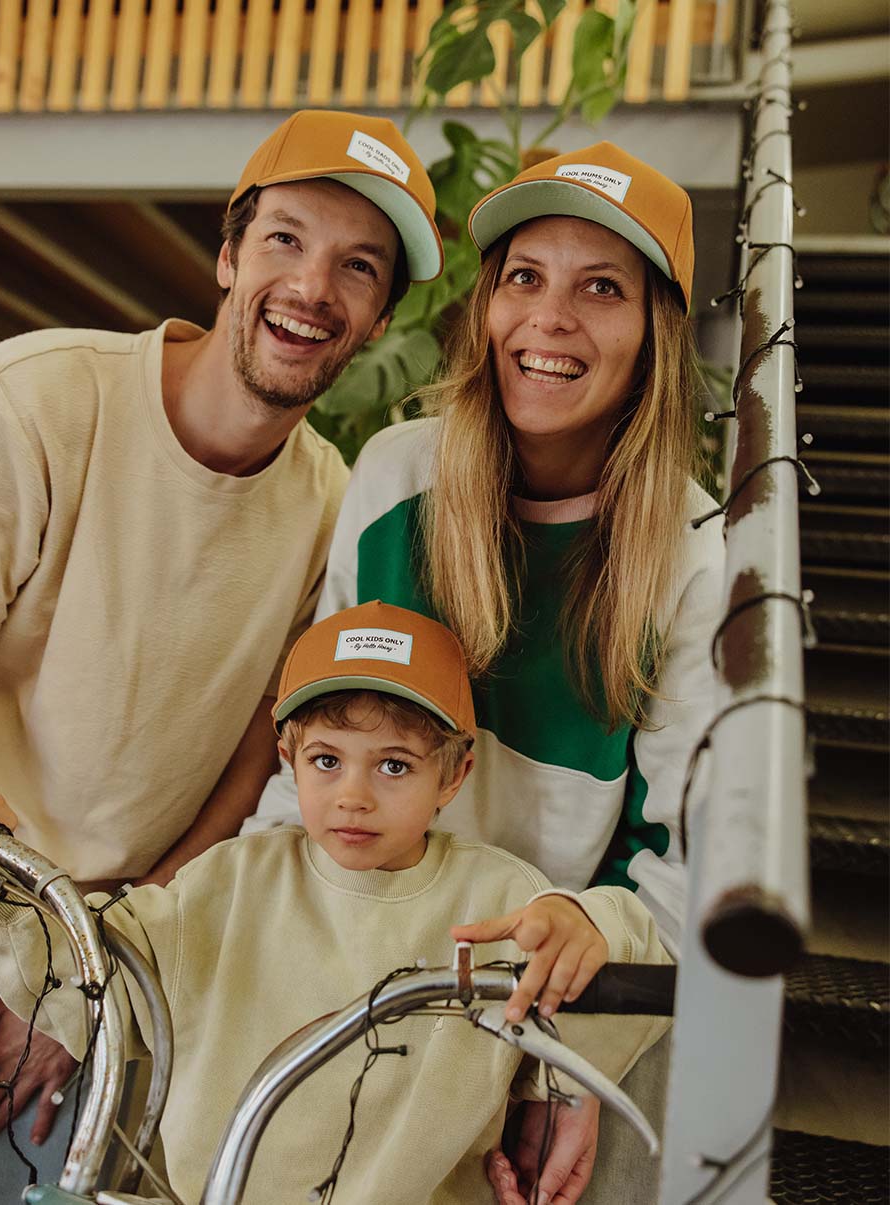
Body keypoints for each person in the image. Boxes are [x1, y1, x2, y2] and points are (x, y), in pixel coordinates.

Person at [0, 110, 444, 1201]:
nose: (312, 286)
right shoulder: (37, 395)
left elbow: (249, 760)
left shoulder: (333, 502)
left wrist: (91, 972)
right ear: (228, 257)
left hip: (89, 921)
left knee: (68, 1181)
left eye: (356, 267)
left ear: (374, 319)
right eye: (284, 240)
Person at [248, 142, 726, 1202]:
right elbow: (309, 757)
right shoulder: (396, 478)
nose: (549, 317)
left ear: (656, 332)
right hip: (365, 968)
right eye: (524, 278)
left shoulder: (691, 554)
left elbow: (683, 853)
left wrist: (573, 1053)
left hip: (561, 990)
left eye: (600, 287)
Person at [0, 600, 670, 1204]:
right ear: (288, 759)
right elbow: (88, 975)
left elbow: (633, 960)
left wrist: (587, 919)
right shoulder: (228, 882)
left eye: (395, 765)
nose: (354, 796)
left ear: (454, 774)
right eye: (327, 760)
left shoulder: (500, 897)